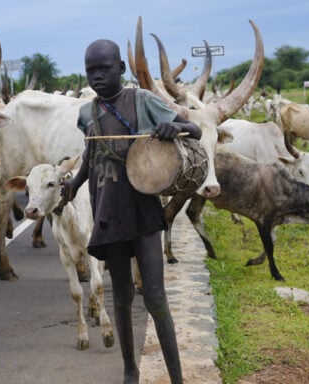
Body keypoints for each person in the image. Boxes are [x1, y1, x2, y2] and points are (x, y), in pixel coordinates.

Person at [62, 39, 201, 384]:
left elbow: (195, 130)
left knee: (155, 297)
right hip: (107, 210)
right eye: (90, 70)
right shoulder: (86, 113)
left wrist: (176, 127)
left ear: (121, 69)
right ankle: (130, 372)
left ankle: (177, 379)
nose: (97, 76)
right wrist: (76, 183)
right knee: (121, 296)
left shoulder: (142, 101)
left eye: (104, 68)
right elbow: (91, 155)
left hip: (142, 210)